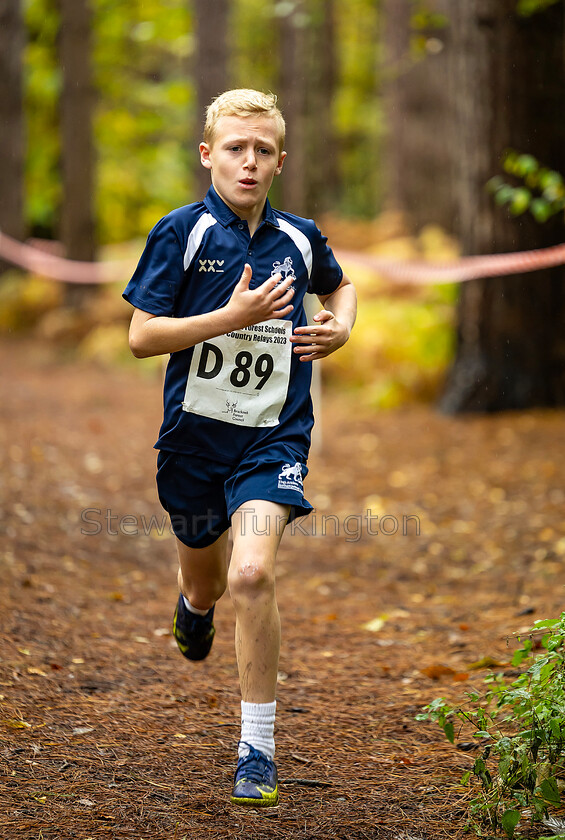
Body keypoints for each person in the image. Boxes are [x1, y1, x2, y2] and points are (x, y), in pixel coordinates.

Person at [123, 89, 357, 807]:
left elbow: (341, 287)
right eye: (234, 148)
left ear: (279, 161)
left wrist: (340, 327)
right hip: (193, 443)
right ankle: (192, 608)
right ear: (208, 155)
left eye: (261, 151)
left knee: (252, 575)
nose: (247, 163)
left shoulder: (297, 236)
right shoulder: (181, 233)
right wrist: (229, 316)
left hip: (271, 439)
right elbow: (140, 336)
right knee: (210, 583)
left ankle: (256, 750)